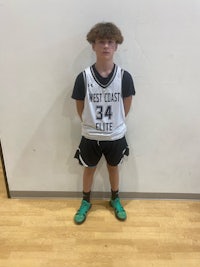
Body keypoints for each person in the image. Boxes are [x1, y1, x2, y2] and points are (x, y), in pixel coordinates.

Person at [71, 22, 135, 224]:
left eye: (110, 42)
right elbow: (80, 108)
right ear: (93, 46)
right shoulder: (83, 77)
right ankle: (86, 201)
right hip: (91, 135)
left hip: (115, 134)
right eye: (101, 42)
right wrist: (93, 124)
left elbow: (126, 107)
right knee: (88, 169)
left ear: (116, 46)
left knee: (113, 167)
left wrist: (112, 124)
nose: (106, 46)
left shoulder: (125, 77)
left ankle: (115, 198)